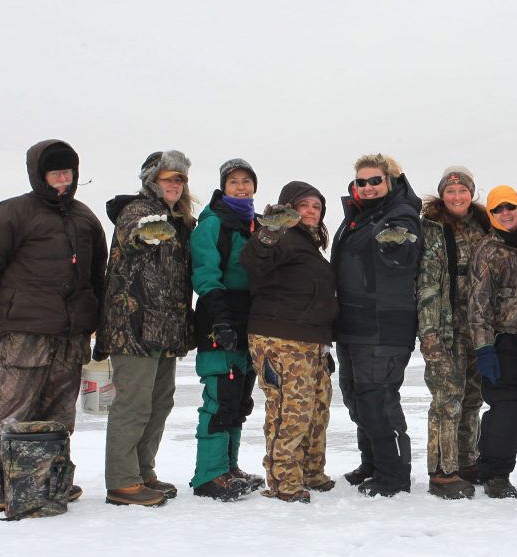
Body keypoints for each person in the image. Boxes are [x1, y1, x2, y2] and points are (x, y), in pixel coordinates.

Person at [0, 140, 107, 514]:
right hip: (26, 334)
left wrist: (101, 328)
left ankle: (48, 480)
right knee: (11, 410)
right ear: (39, 176)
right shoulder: (14, 212)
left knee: (60, 415)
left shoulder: (85, 218)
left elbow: (99, 279)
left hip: (72, 335)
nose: (63, 180)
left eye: (68, 173)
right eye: (55, 173)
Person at [97, 151, 196, 507]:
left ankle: (142, 471)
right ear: (152, 179)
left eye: (180, 179)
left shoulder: (181, 220)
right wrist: (153, 233)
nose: (176, 184)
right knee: (132, 405)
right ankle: (122, 481)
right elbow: (134, 237)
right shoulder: (137, 211)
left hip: (166, 330)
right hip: (133, 328)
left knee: (159, 403)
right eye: (170, 177)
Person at [331, 154, 422, 497]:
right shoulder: (359, 217)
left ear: (390, 182)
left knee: (378, 400)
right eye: (361, 182)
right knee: (356, 398)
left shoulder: (399, 214)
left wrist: (396, 242)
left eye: (375, 181)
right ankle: (372, 462)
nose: (367, 188)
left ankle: (394, 474)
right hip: (353, 324)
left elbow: (403, 246)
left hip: (384, 325)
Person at [241, 181, 337, 504]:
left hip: (311, 341)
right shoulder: (280, 236)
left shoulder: (308, 245)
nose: (311, 211)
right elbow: (253, 260)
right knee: (290, 411)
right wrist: (268, 231)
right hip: (280, 338)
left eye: (317, 207)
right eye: (304, 205)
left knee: (317, 408)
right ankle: (284, 481)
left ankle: (310, 471)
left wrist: (324, 343)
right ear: (289, 208)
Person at [188, 159, 266, 501]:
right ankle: (209, 474)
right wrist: (221, 319)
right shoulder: (212, 223)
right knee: (220, 398)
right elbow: (206, 274)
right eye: (234, 182)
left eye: (247, 182)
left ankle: (228, 467)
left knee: (239, 400)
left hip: (250, 321)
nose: (241, 187)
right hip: (219, 318)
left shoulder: (256, 225)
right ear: (223, 186)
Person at [417, 166, 490, 499]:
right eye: (451, 191)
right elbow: (427, 284)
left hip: (479, 327)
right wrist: (429, 332)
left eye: (463, 190)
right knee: (446, 399)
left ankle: (466, 460)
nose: (457, 196)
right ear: (442, 194)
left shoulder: (484, 226)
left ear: (471, 193)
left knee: (472, 399)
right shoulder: (430, 228)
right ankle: (443, 471)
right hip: (444, 326)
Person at [468, 186, 517, 499]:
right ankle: (495, 472)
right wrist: (484, 347)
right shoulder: (488, 249)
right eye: (497, 209)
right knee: (507, 410)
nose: (505, 213)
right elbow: (478, 303)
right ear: (491, 214)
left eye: (509, 207)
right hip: (506, 341)